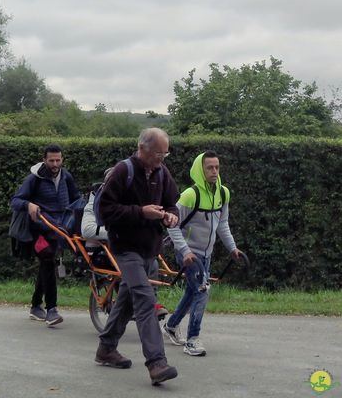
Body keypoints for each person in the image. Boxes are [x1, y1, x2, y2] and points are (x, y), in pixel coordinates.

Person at [94, 128, 179, 386]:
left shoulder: (162, 173)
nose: (162, 159)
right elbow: (105, 211)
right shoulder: (123, 171)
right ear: (142, 148)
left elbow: (172, 202)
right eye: (159, 153)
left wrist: (171, 215)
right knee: (144, 299)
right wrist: (141, 212)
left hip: (149, 249)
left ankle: (106, 348)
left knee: (128, 299)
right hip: (125, 247)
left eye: (166, 153)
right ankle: (156, 363)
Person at [162, 151, 244, 357]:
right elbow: (171, 224)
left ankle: (171, 326)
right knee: (202, 290)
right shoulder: (190, 195)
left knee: (193, 291)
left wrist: (232, 248)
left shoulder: (223, 193)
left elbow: (222, 224)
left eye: (217, 167)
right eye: (210, 167)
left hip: (206, 254)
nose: (214, 171)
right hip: (189, 253)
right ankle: (192, 340)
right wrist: (185, 251)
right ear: (201, 169)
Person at [80, 170, 169, 320]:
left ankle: (150, 302)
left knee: (151, 261)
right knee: (137, 265)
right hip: (101, 252)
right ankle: (143, 303)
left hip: (123, 248)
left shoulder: (127, 200)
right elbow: (87, 230)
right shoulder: (94, 202)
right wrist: (120, 233)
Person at [11, 144, 80, 326]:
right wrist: (29, 205)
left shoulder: (66, 177)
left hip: (57, 230)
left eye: (58, 160)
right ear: (44, 160)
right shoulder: (34, 179)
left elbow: (76, 200)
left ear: (62, 159)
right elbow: (16, 201)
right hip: (36, 230)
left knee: (46, 264)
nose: (55, 164)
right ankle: (51, 309)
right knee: (47, 258)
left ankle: (35, 306)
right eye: (51, 160)